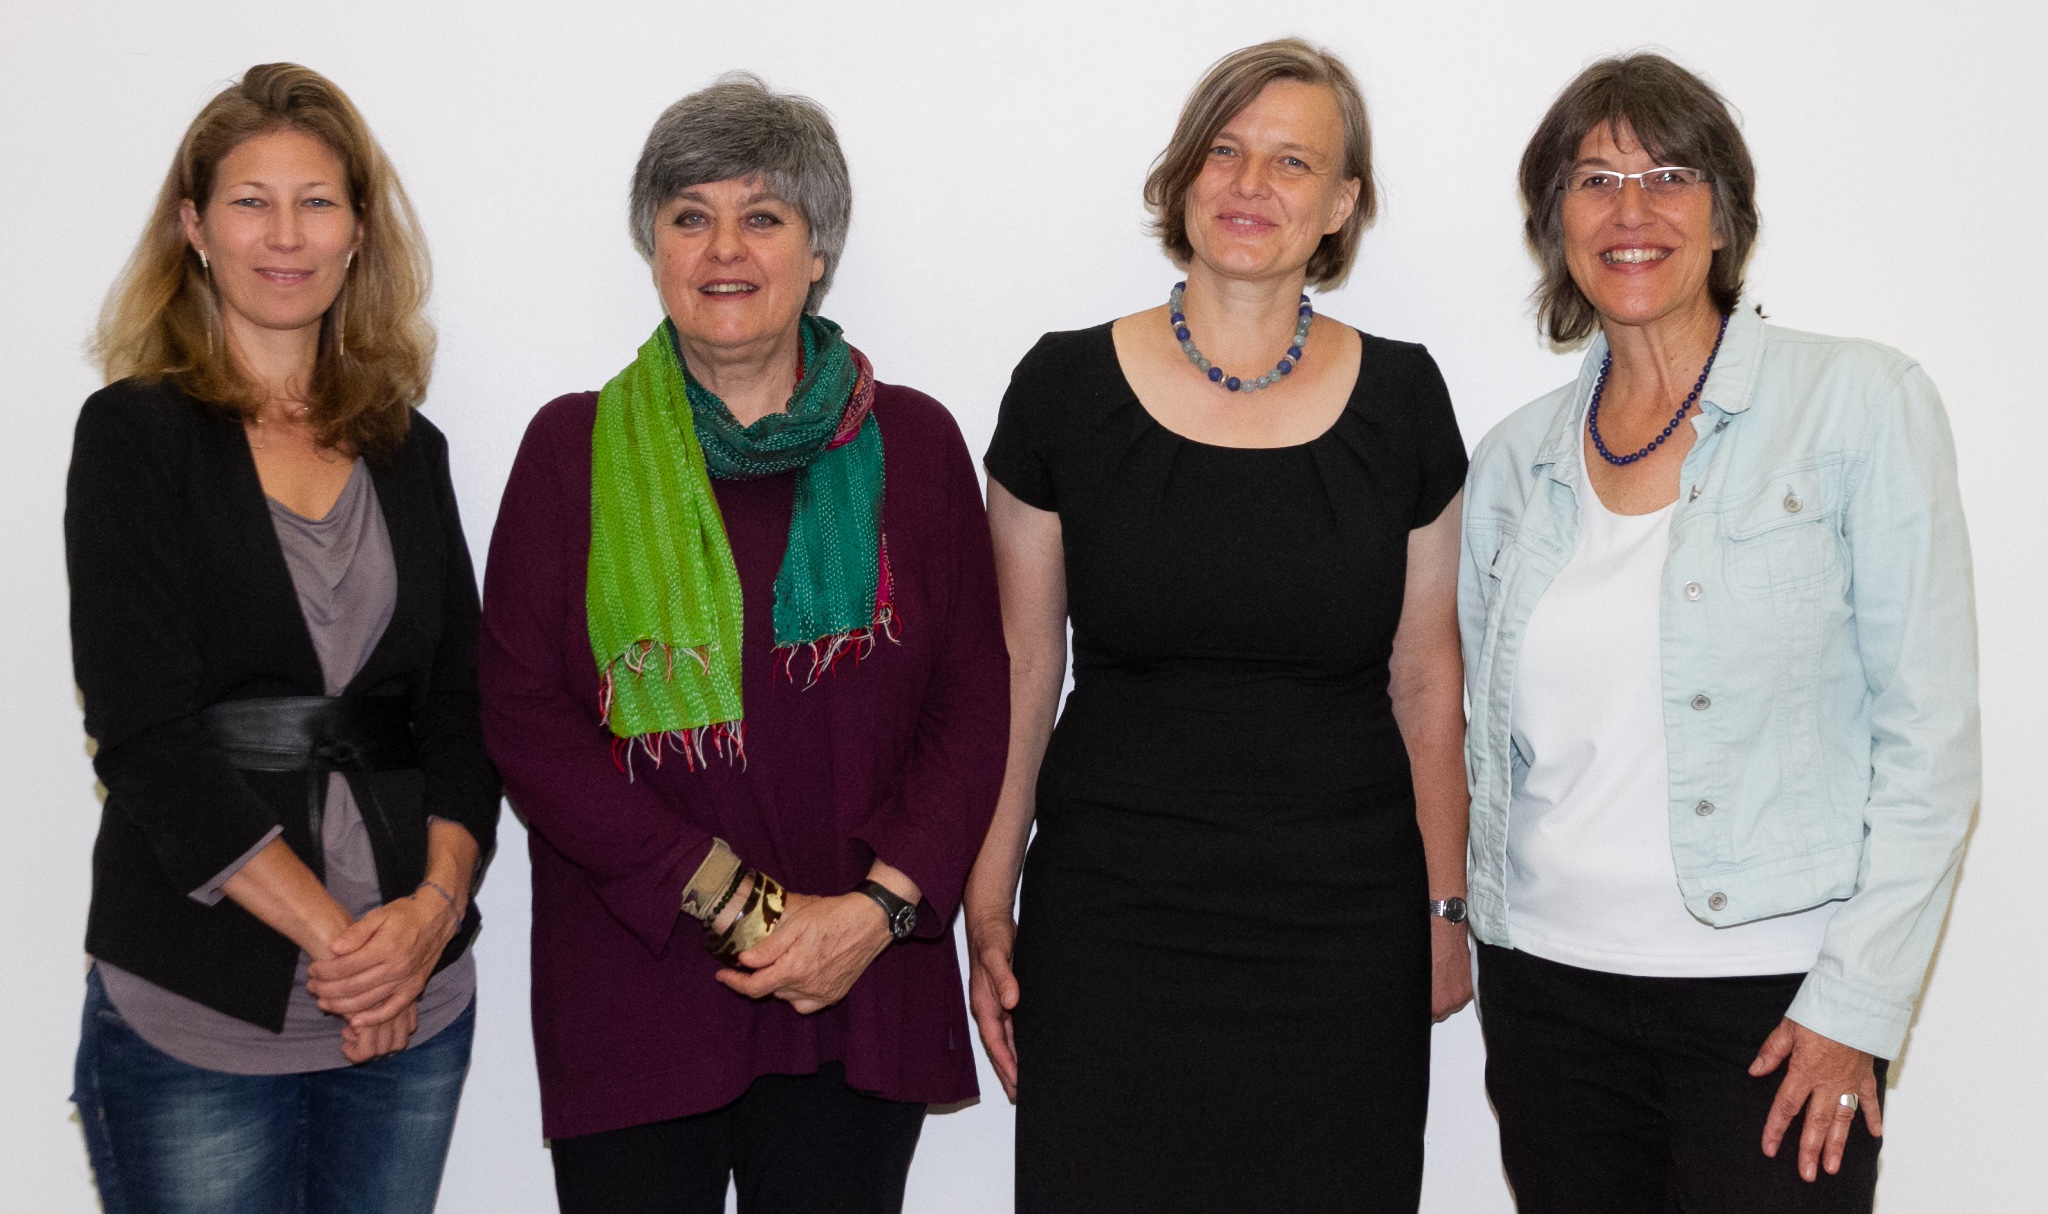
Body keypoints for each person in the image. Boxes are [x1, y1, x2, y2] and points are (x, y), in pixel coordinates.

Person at [478, 73, 1008, 1214]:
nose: (725, 248)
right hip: (640, 978)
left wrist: (874, 911)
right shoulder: (570, 450)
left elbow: (973, 694)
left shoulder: (911, 445)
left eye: (762, 217)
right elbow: (523, 714)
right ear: (655, 245)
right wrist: (737, 902)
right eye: (689, 216)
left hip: (855, 977)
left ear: (818, 251)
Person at [1459, 53, 1978, 1213]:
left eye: (1668, 174)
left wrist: (1853, 1006)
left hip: (1771, 1004)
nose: (1630, 211)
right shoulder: (1511, 463)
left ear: (1723, 215)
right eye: (1594, 180)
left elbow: (1929, 740)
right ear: (1555, 222)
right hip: (1547, 994)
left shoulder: (1859, 405)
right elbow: (1477, 740)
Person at [966, 39, 1474, 1213]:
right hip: (1110, 916)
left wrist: (1444, 910)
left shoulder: (1403, 398)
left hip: (1343, 922)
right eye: (1226, 152)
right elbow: (1020, 664)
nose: (1251, 185)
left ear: (1341, 203)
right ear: (1183, 177)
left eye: (1292, 161)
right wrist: (987, 898)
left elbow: (1423, 676)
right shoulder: (1061, 388)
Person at [65, 63, 500, 1213]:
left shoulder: (413, 449)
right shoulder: (133, 438)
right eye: (251, 200)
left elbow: (464, 712)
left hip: (417, 1005)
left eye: (316, 201)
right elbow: (145, 737)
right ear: (192, 226)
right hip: (203, 1015)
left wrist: (429, 919)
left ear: (359, 231)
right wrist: (349, 950)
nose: (285, 234)